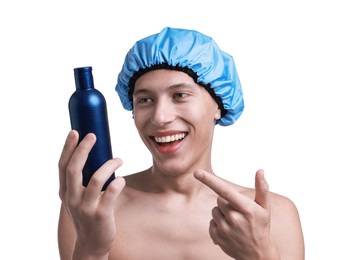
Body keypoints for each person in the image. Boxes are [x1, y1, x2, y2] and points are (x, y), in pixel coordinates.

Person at [58, 27, 305, 260]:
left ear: (218, 106)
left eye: (180, 95)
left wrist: (260, 253)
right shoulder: (90, 208)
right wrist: (90, 250)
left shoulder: (272, 216)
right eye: (145, 99)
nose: (160, 117)